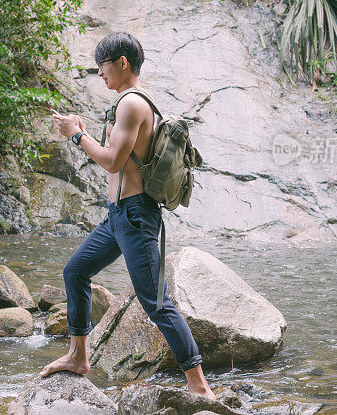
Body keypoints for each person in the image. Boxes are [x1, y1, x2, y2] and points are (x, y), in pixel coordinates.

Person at [42, 32, 216, 400]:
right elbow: (115, 156)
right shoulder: (125, 104)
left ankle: (200, 388)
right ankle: (77, 356)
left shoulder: (132, 104)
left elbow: (113, 161)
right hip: (117, 216)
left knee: (156, 304)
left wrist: (76, 136)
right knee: (75, 271)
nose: (99, 74)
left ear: (122, 62)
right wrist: (85, 132)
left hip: (136, 217)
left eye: (102, 66)